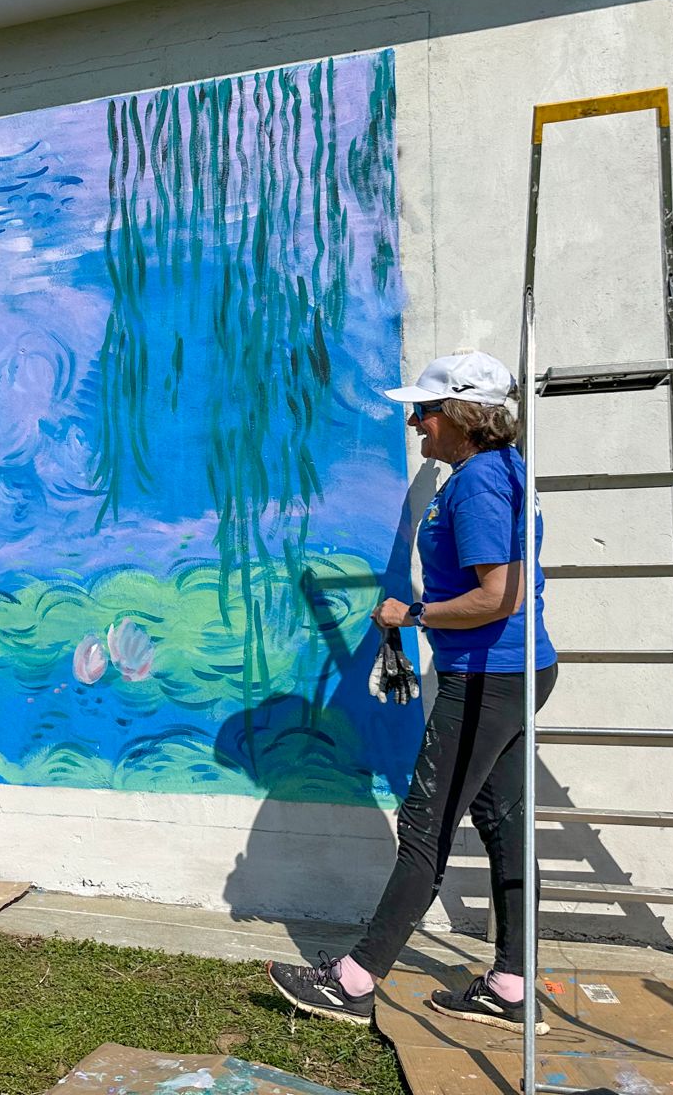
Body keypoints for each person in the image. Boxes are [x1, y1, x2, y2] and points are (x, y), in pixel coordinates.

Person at [266, 350, 558, 1035]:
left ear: (459, 414)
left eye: (422, 413)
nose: (415, 425)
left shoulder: (479, 485)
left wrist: (412, 615)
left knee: (425, 829)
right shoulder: (502, 472)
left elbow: (500, 596)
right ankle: (511, 984)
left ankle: (354, 980)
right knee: (502, 821)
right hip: (516, 674)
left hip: (489, 679)